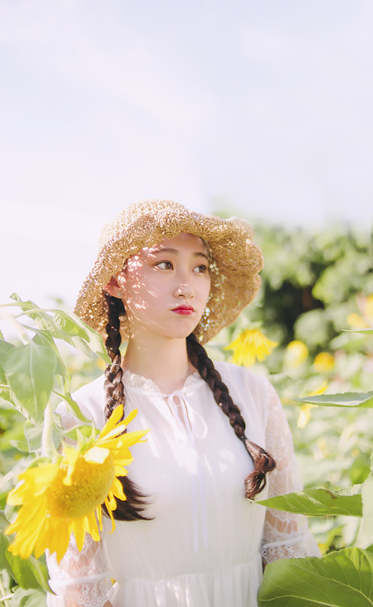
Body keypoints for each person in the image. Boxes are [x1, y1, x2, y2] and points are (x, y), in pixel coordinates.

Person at [46, 200, 319, 607]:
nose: (186, 286)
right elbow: (80, 588)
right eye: (164, 264)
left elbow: (289, 548)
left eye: (200, 267)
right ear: (115, 282)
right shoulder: (80, 416)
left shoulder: (253, 393)